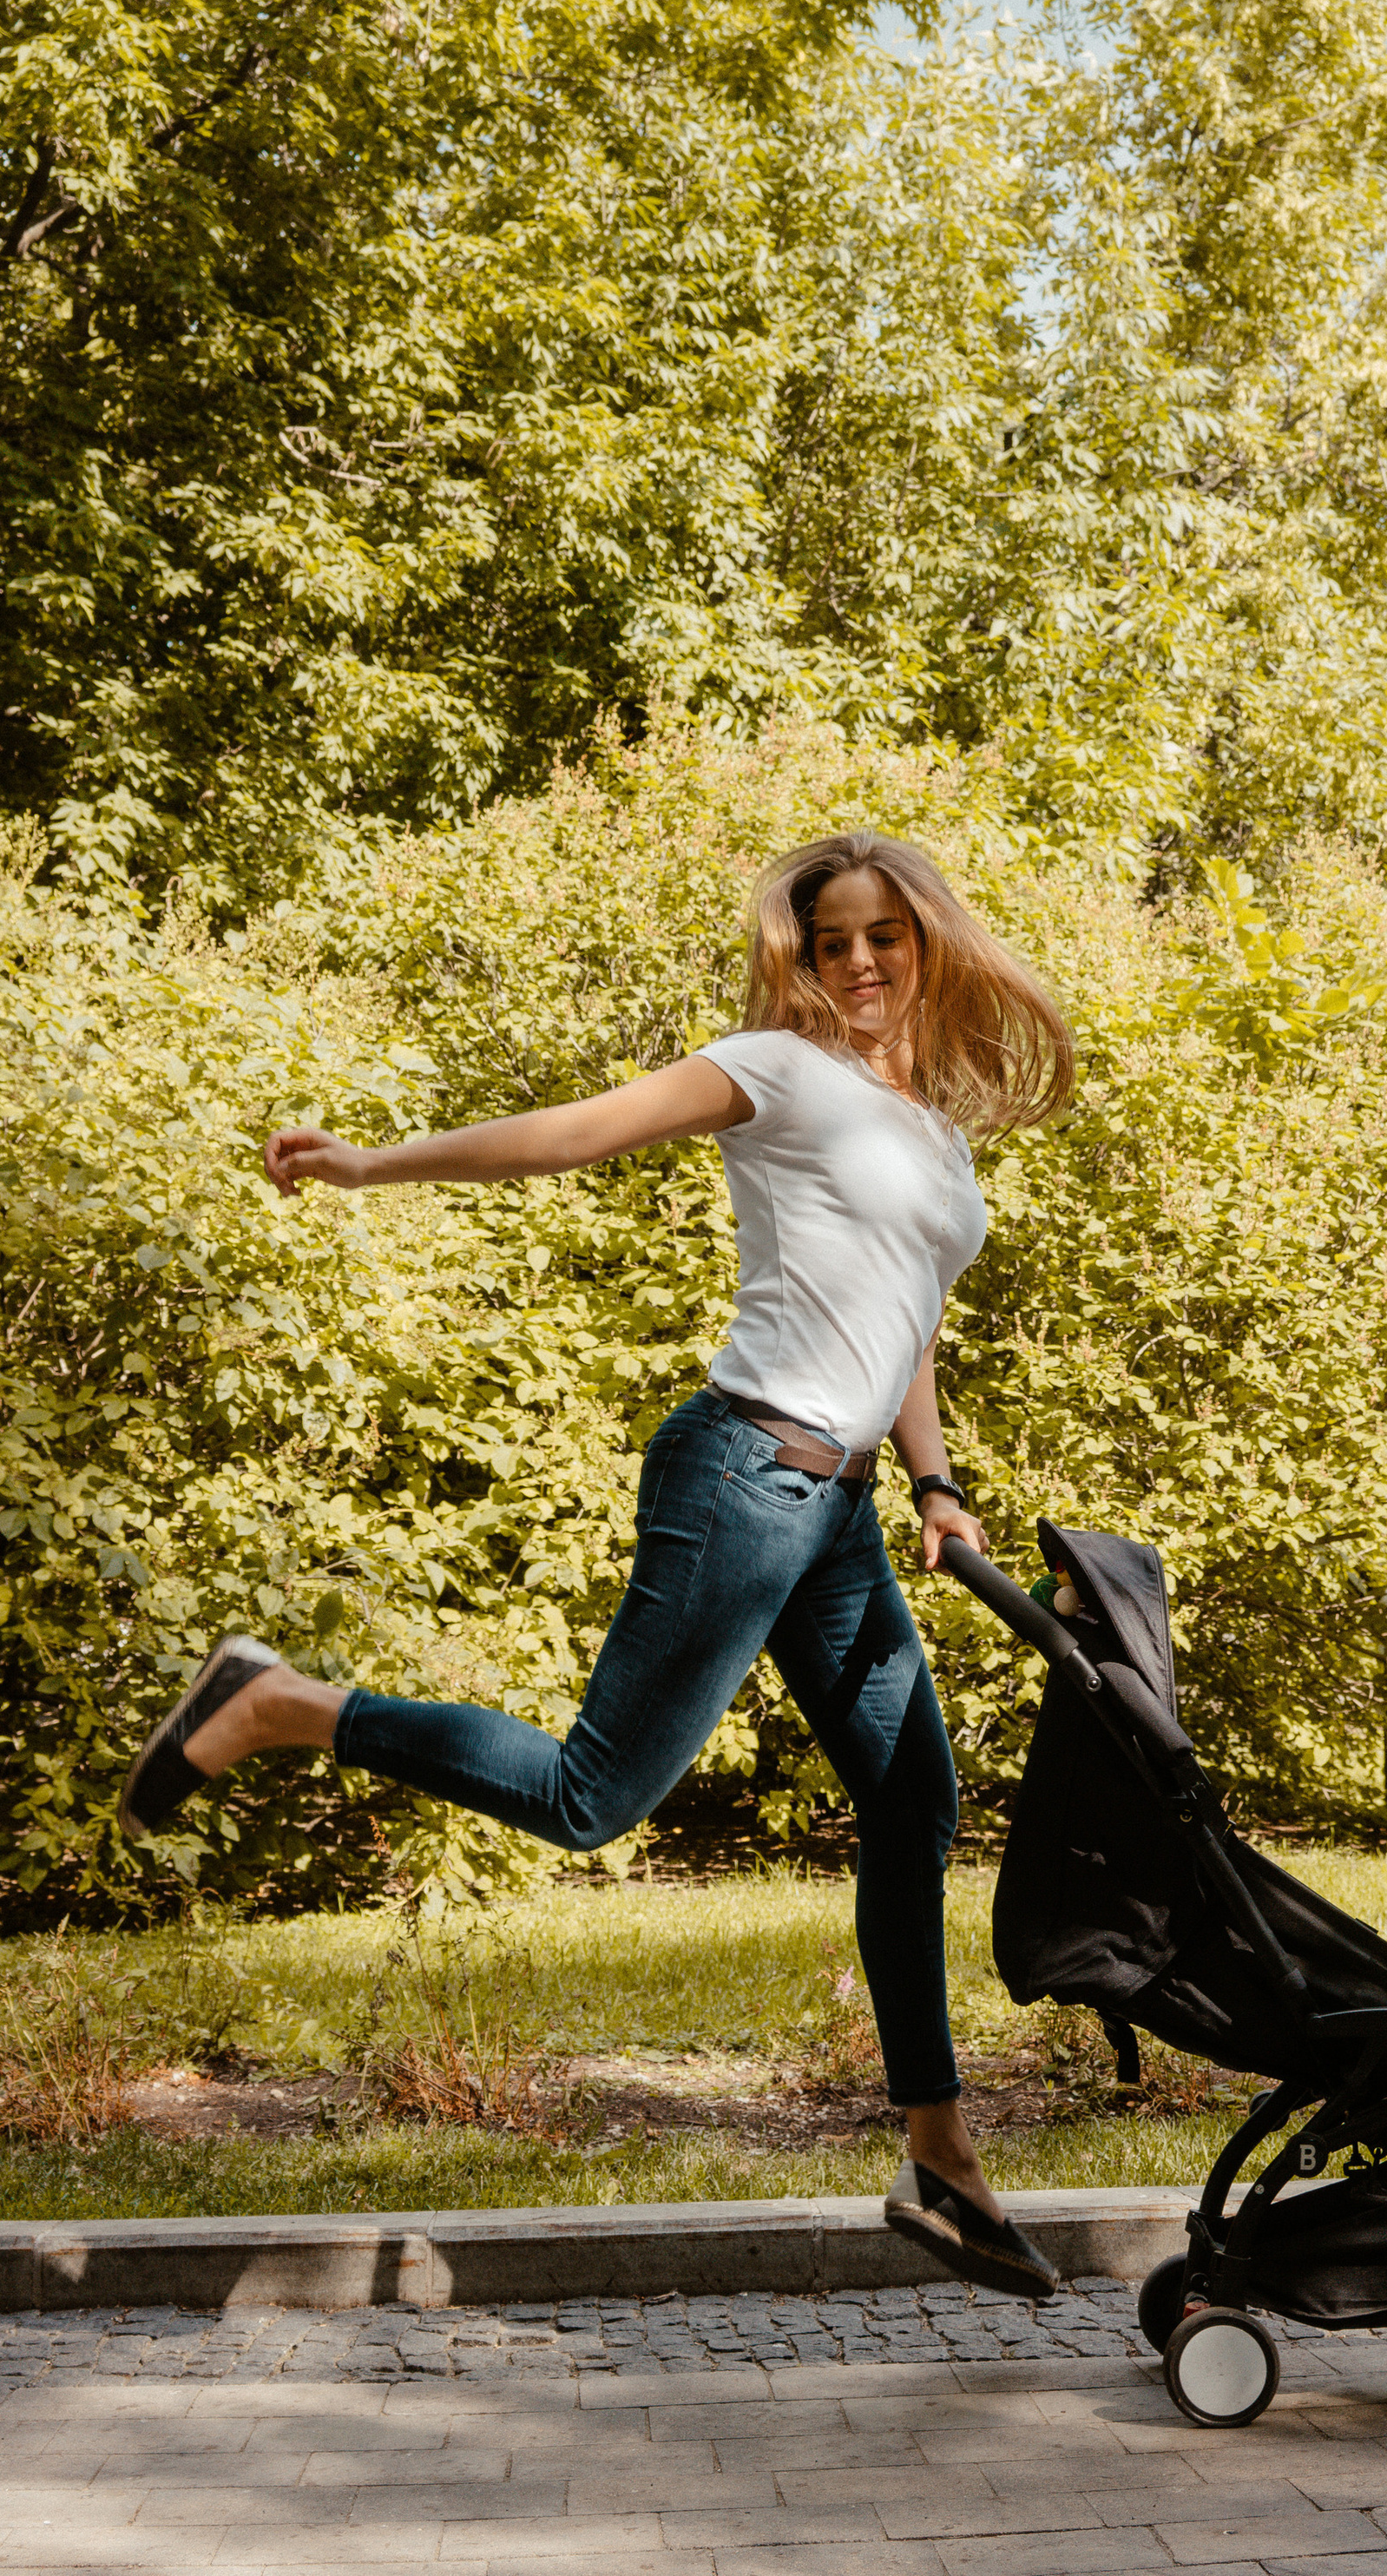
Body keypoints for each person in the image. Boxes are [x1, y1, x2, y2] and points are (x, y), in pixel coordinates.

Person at [118, 829, 1075, 2297]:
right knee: (590, 1798)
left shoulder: (933, 1135)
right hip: (747, 1469)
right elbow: (578, 1127)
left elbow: (905, 1325)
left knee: (912, 1806)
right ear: (805, 962)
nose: (864, 961)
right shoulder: (776, 1068)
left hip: (839, 1506)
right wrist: (374, 1164)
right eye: (835, 942)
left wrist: (939, 1487)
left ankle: (939, 2158)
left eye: (886, 934)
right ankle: (279, 1702)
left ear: (929, 938)